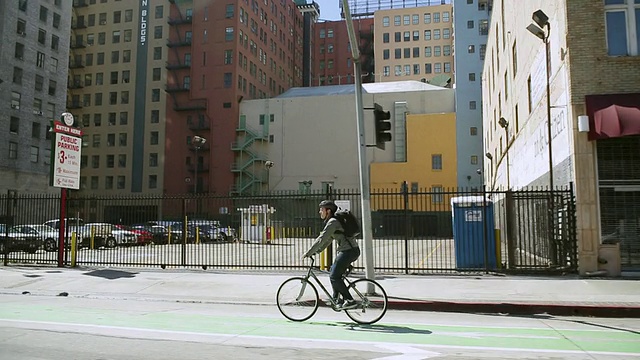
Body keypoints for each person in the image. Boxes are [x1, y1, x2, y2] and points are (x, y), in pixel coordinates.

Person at [303, 200, 361, 310]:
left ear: (328, 211)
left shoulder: (333, 222)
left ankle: (350, 300)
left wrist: (308, 252)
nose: (319, 211)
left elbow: (321, 238)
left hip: (348, 252)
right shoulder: (333, 222)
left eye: (321, 209)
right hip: (350, 251)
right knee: (333, 272)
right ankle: (337, 299)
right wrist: (317, 251)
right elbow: (328, 240)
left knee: (334, 276)